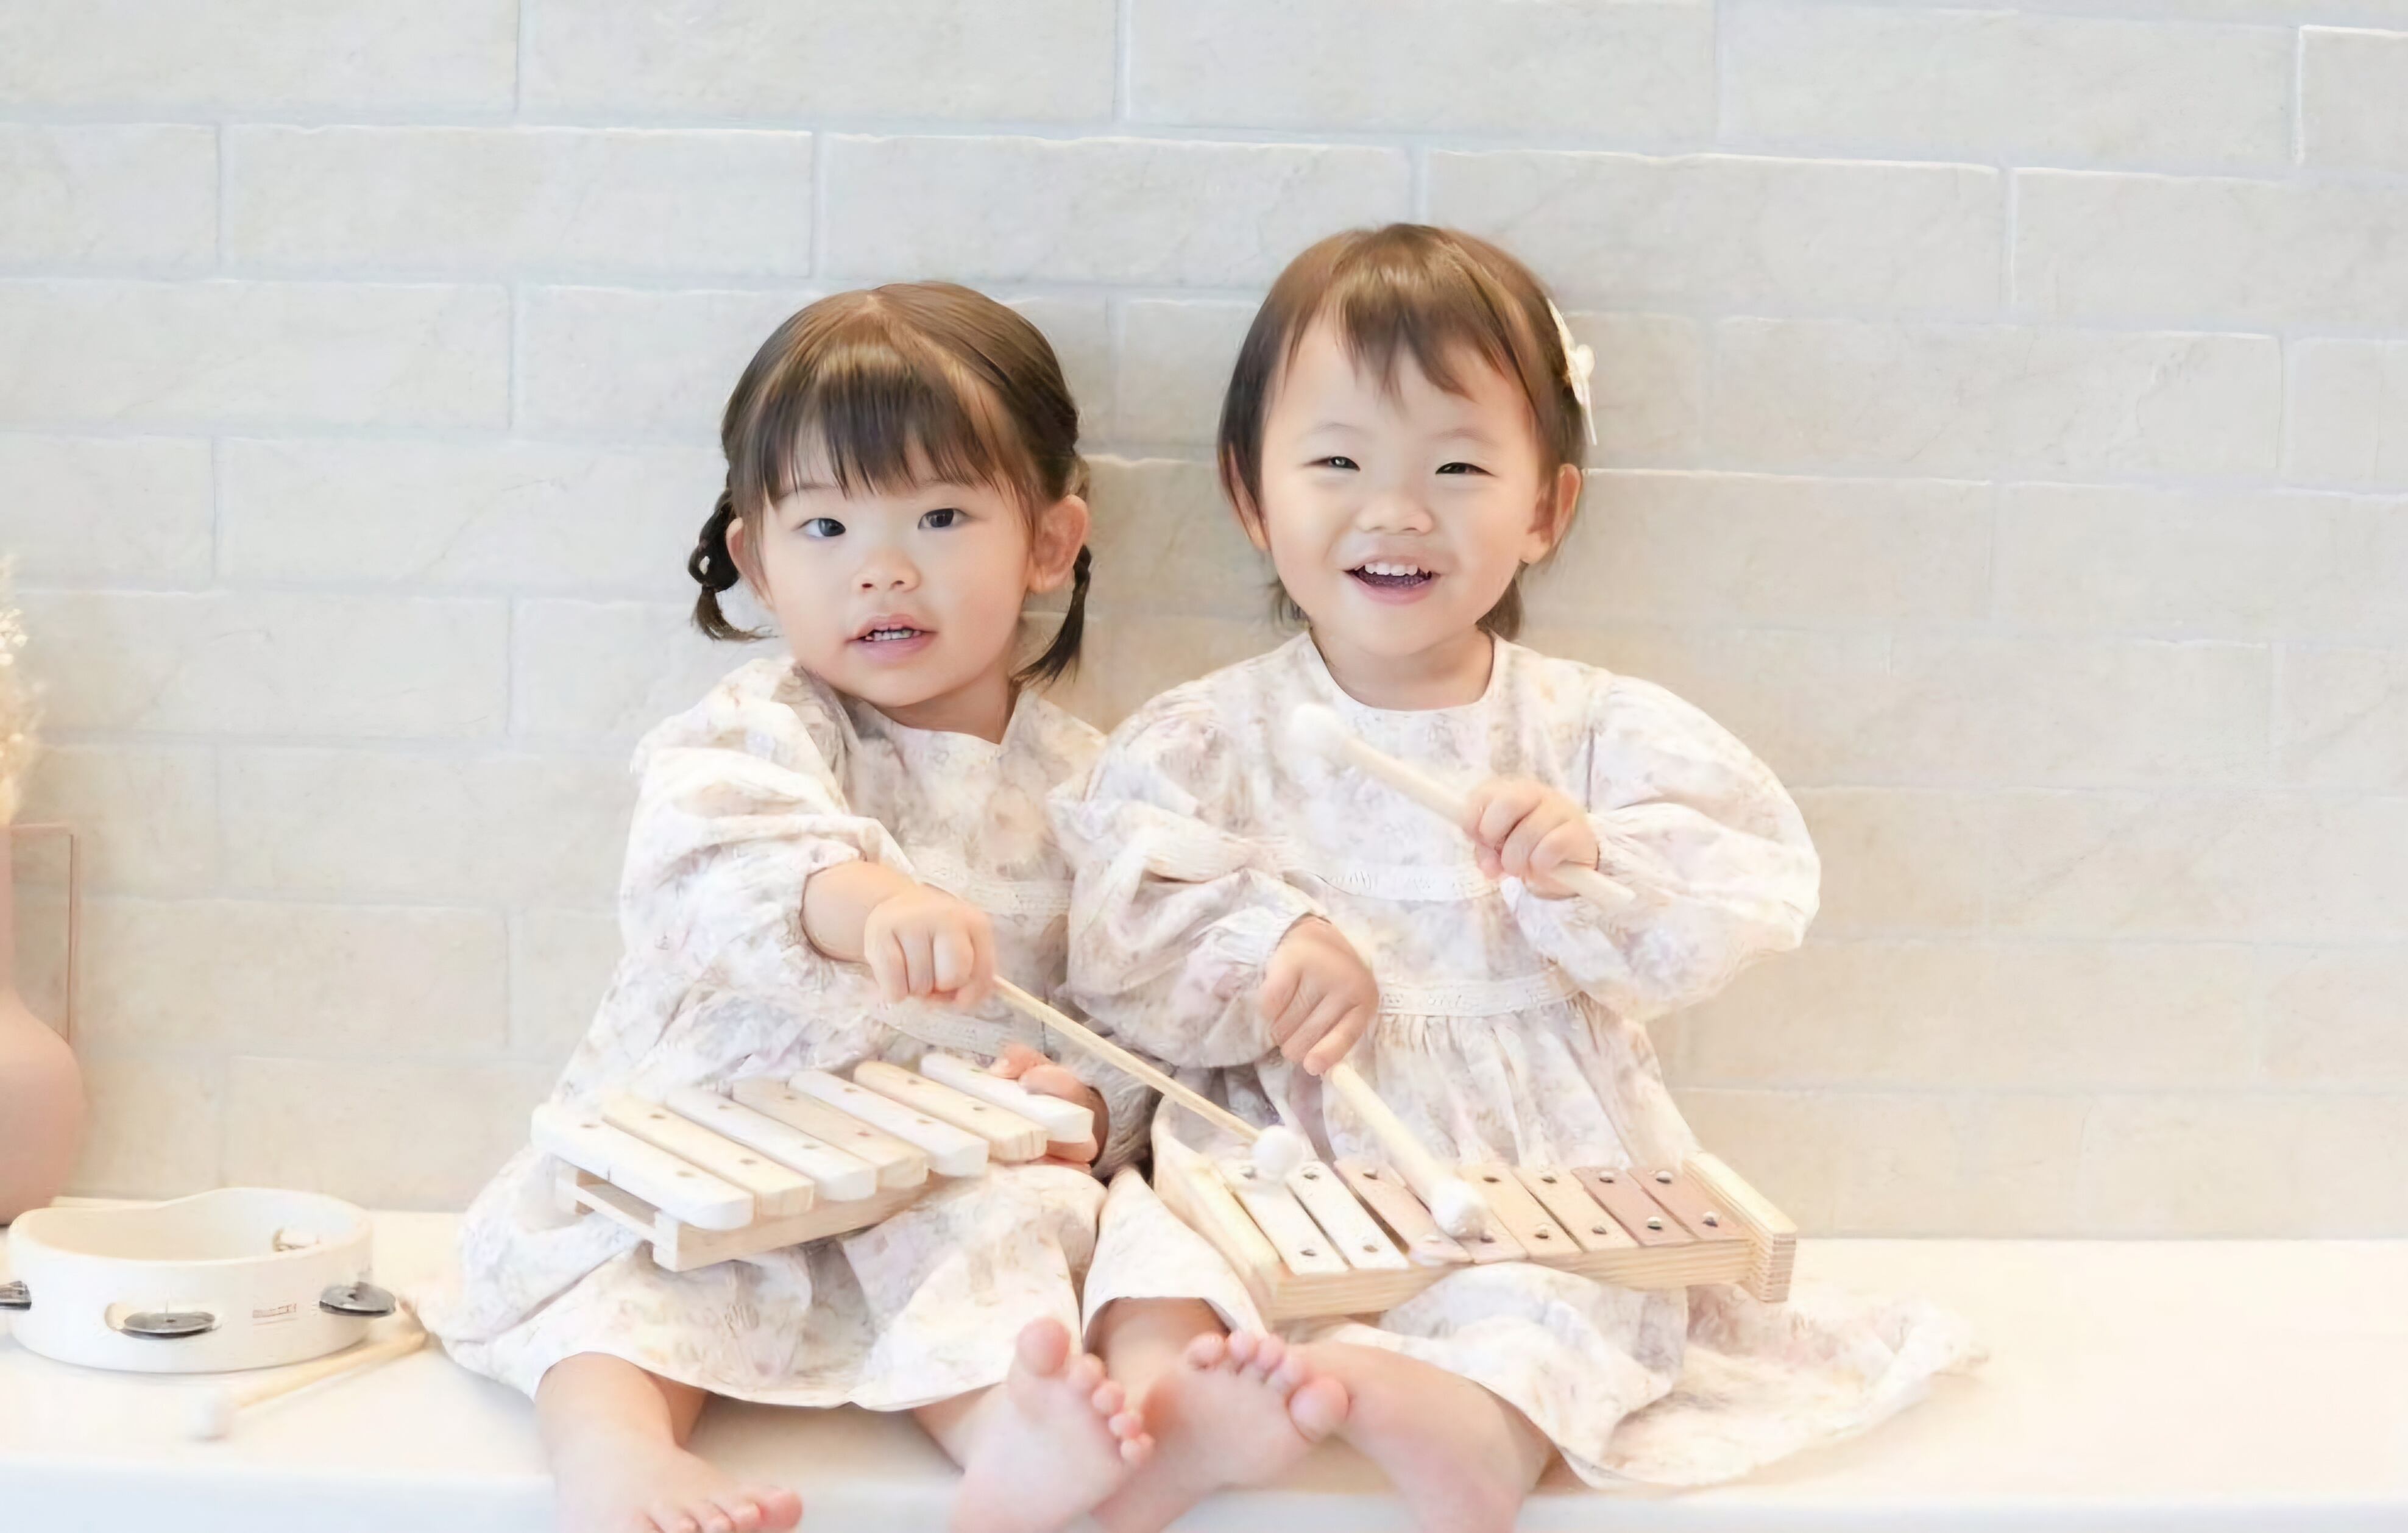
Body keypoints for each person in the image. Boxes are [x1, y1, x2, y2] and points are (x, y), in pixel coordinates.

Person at [1058, 225, 1980, 1533]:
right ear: (1250, 496)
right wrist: (1270, 942)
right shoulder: (1205, 738)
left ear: (1545, 508)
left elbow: (1730, 895)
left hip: (1531, 1153)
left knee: (1563, 1298)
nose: (1395, 510)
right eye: (1337, 463)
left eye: (1456, 467)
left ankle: (1462, 1424)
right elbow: (1121, 932)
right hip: (1284, 1144)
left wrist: (1586, 864)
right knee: (1158, 1255)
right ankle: (1171, 1412)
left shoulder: (1589, 731)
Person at [424, 284, 1163, 1533]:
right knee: (627, 1269)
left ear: (1049, 542)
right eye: (824, 525)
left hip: (939, 1172)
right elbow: (706, 857)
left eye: (940, 516)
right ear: (759, 562)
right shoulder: (761, 728)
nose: (882, 568)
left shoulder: (1091, 790)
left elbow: (1138, 1007)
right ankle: (613, 1452)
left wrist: (1084, 1103)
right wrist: (857, 901)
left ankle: (1009, 1435)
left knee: (1016, 1233)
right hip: (719, 1135)